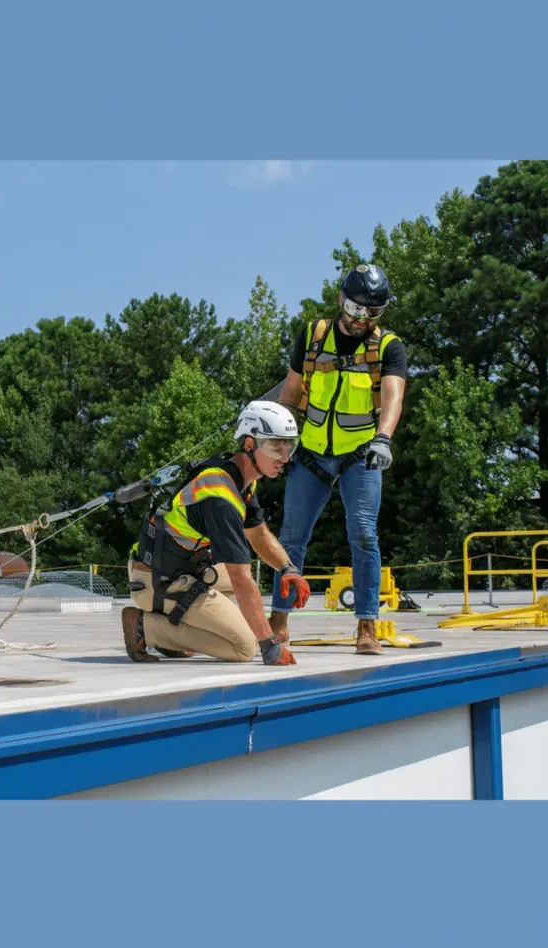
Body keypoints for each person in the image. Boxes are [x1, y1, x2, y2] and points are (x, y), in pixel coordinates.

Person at [270, 262, 407, 655]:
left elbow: (393, 397)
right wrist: (281, 443)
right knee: (292, 537)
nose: (363, 318)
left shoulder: (387, 347)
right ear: (341, 300)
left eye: (373, 312)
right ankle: (279, 621)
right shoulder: (314, 336)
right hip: (310, 454)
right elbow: (292, 392)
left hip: (360, 454)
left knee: (364, 535)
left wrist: (384, 438)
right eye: (357, 309)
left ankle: (367, 625)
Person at [121, 401, 311, 667]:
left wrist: (287, 568)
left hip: (175, 570)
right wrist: (269, 645)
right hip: (157, 581)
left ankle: (176, 632)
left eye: (289, 446)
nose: (285, 456)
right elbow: (241, 579)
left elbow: (258, 534)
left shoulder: (239, 477)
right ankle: (146, 627)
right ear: (249, 444)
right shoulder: (220, 496)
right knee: (244, 646)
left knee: (243, 599)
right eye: (275, 447)